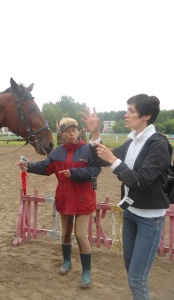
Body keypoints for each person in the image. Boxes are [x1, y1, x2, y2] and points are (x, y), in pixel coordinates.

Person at [82, 94, 171, 299]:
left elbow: (140, 181)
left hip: (150, 219)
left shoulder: (159, 144)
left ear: (146, 116)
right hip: (130, 213)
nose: (126, 114)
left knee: (136, 279)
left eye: (131, 111)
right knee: (131, 270)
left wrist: (114, 160)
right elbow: (102, 160)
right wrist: (95, 133)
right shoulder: (131, 143)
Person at [18, 117, 101, 288]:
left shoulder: (87, 149)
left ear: (78, 131)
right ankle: (66, 262)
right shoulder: (57, 152)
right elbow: (45, 167)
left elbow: (95, 170)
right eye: (68, 131)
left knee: (80, 235)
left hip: (83, 197)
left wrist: (74, 173)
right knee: (65, 233)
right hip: (64, 196)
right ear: (62, 134)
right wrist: (27, 166)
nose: (72, 134)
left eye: (74, 130)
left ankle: (86, 271)